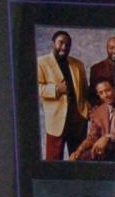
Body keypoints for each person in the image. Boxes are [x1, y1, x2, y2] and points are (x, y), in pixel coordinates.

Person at [37, 29, 89, 161]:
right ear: (53, 43)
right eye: (61, 43)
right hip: (56, 121)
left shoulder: (78, 64)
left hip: (78, 120)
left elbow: (85, 91)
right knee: (53, 163)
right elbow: (34, 88)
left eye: (67, 44)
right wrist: (56, 89)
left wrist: (87, 111)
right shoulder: (41, 62)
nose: (64, 47)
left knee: (79, 160)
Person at [70, 76, 115, 162]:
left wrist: (107, 137)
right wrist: (79, 151)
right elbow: (93, 136)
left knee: (106, 148)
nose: (105, 95)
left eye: (108, 90)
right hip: (105, 152)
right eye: (101, 93)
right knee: (80, 159)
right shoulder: (99, 111)